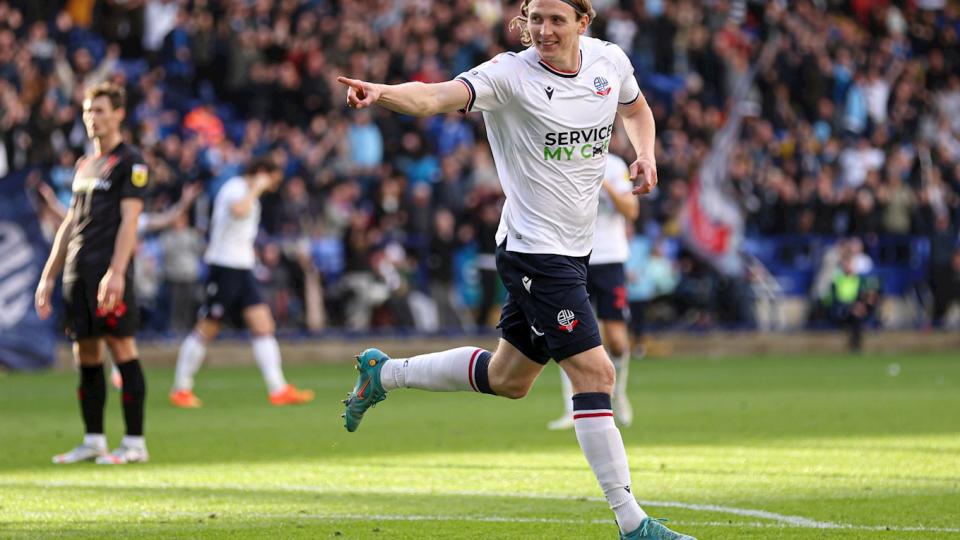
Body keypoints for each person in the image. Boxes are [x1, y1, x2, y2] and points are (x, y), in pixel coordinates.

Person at [336, 1, 694, 538]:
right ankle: (632, 523)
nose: (543, 30)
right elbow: (434, 96)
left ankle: (383, 373)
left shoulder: (609, 62)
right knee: (596, 374)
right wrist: (382, 93)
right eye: (536, 18)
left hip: (574, 251)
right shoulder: (508, 74)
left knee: (509, 380)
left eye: (556, 19)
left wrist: (645, 154)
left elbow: (637, 110)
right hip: (534, 252)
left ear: (583, 22)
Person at [35, 82, 150, 465]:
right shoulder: (85, 165)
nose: (92, 118)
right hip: (77, 270)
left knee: (121, 346)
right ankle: (94, 439)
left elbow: (130, 221)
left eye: (99, 110)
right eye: (87, 110)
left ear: (118, 114)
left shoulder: (131, 162)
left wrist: (117, 271)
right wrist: (49, 274)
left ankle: (134, 443)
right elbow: (71, 221)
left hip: (107, 269)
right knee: (84, 351)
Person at [169, 158, 314, 408]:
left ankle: (278, 389)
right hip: (225, 267)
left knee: (263, 325)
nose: (273, 187)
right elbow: (239, 210)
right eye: (272, 180)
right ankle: (181, 388)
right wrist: (256, 187)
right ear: (261, 172)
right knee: (208, 327)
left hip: (242, 267)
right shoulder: (235, 188)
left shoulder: (247, 192)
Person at [549, 152, 637, 430]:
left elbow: (632, 210)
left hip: (610, 259)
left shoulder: (614, 166)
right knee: (570, 332)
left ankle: (618, 394)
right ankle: (571, 407)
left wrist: (603, 184)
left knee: (617, 340)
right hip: (573, 257)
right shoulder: (564, 159)